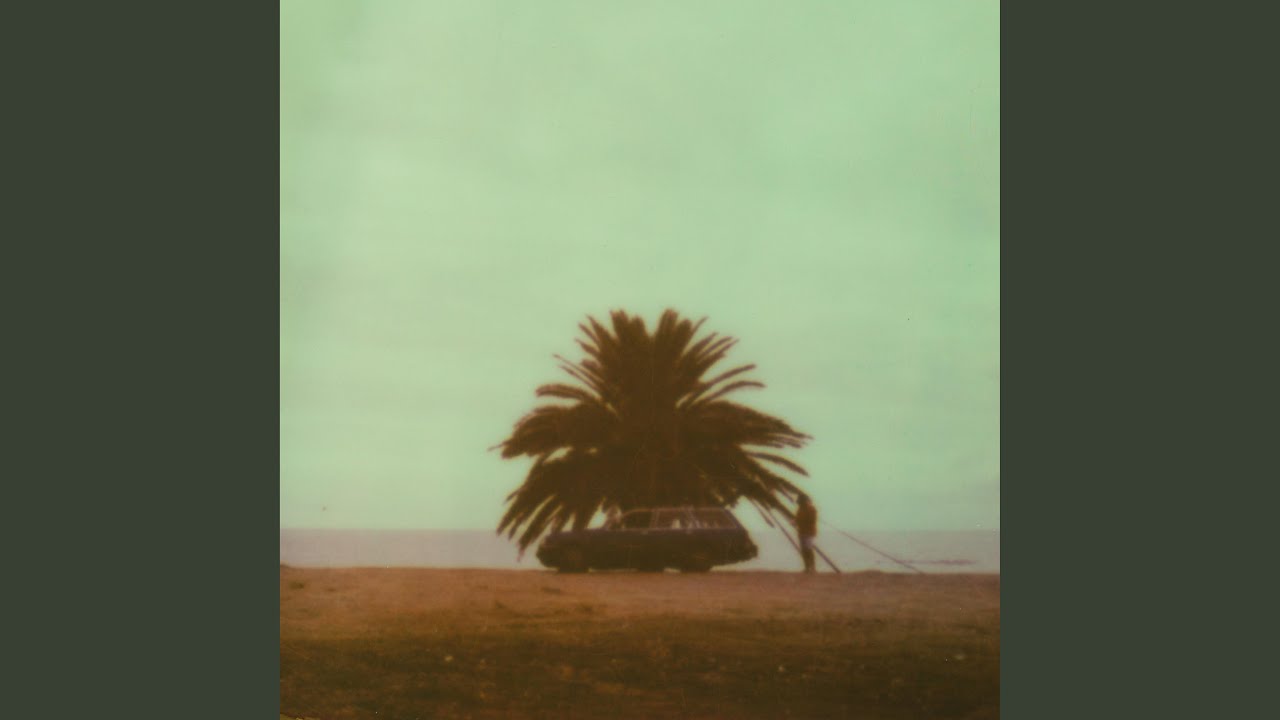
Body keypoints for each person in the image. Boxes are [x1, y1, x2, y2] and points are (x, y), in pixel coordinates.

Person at [795, 494, 818, 573]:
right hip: (801, 532)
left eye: (800, 502)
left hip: (809, 532)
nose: (799, 503)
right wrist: (795, 522)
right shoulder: (800, 509)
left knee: (808, 549)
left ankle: (812, 567)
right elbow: (797, 518)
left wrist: (799, 522)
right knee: (803, 550)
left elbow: (812, 520)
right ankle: (807, 567)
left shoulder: (812, 509)